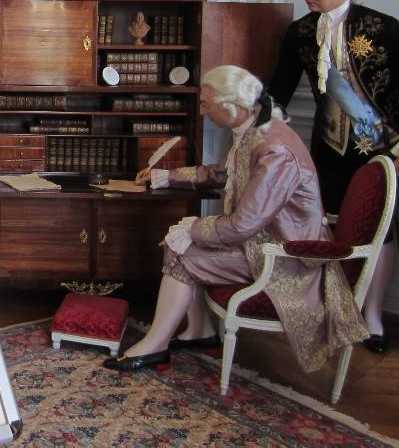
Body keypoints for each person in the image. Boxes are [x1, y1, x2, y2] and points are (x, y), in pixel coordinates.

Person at [103, 66, 367, 374]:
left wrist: (192, 228)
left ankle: (156, 345)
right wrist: (165, 177)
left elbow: (243, 225)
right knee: (182, 239)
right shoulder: (257, 130)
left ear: (234, 107)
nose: (202, 111)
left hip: (284, 258)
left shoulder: (275, 150)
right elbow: (224, 173)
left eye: (207, 104)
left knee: (180, 247)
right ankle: (198, 332)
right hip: (263, 242)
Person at [268, 0, 399, 353]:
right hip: (327, 148)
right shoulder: (301, 32)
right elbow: (278, 92)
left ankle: (371, 317)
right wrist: (262, 129)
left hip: (383, 153)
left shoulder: (383, 28)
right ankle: (334, 309)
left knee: (379, 232)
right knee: (328, 227)